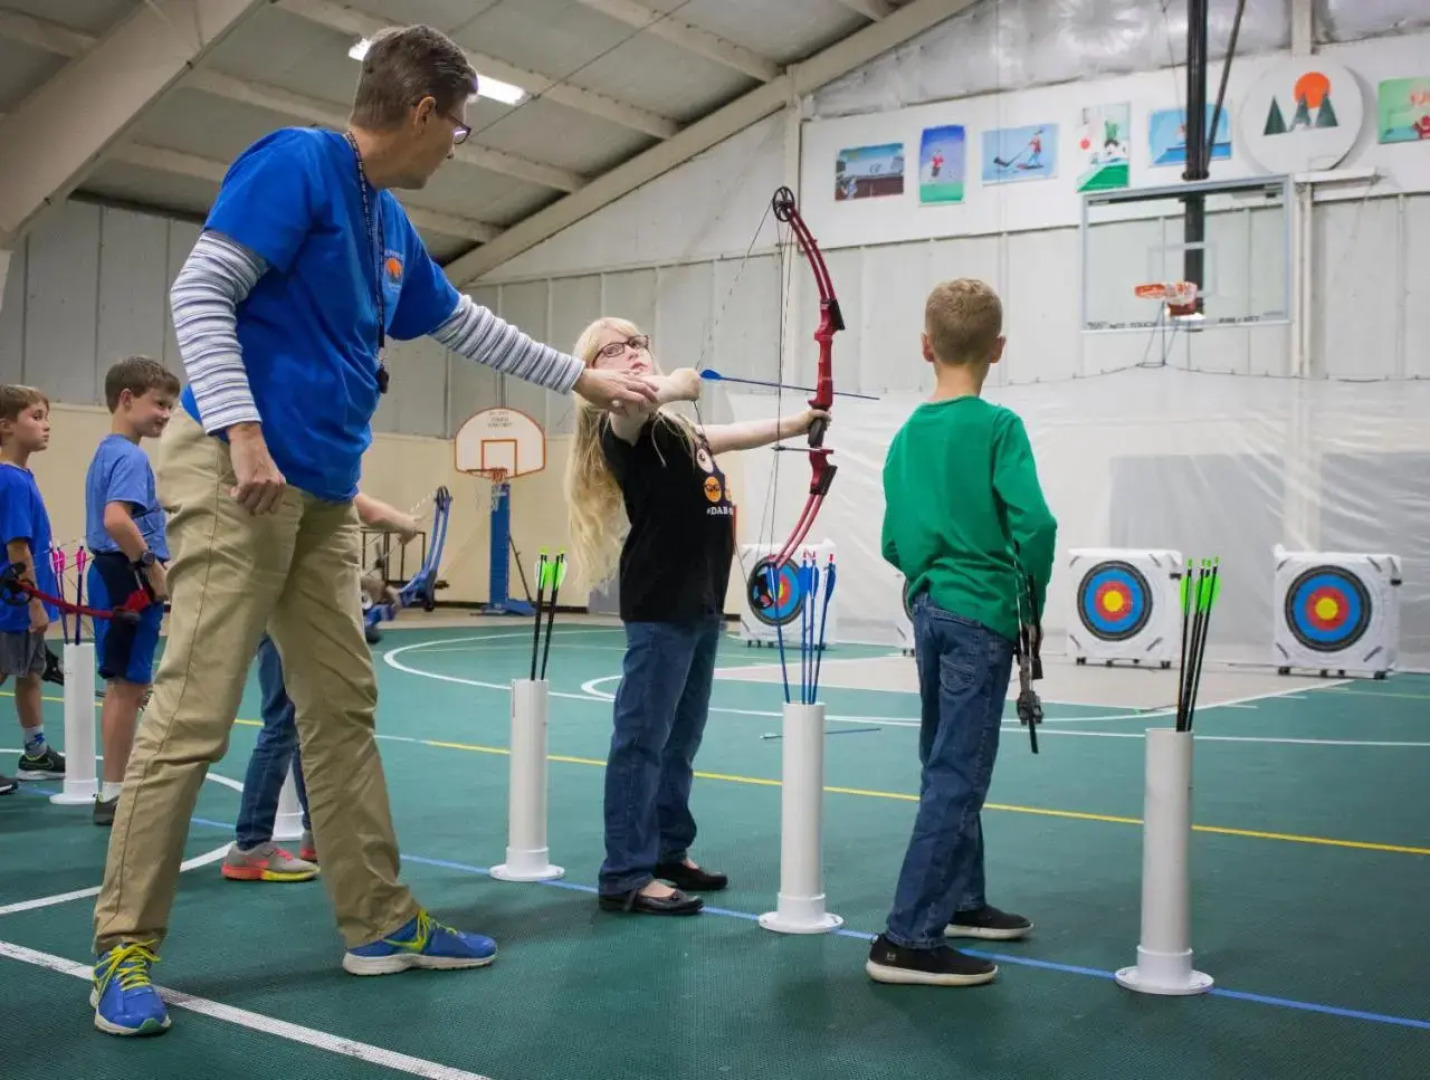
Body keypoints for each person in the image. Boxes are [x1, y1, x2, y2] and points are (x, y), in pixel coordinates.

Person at [89, 24, 659, 1038]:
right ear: (423, 111)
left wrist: (586, 377)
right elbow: (200, 290)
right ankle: (124, 945)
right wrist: (241, 428)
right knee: (193, 716)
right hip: (239, 475)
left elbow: (464, 323)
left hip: (314, 490)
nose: (459, 144)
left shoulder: (390, 223)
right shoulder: (299, 162)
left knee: (340, 708)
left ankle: (378, 923)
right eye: (460, 126)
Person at [565, 318, 828, 916]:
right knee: (642, 741)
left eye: (638, 343)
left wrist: (799, 424)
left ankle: (666, 850)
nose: (632, 354)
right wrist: (678, 380)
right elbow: (644, 398)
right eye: (614, 349)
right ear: (595, 371)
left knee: (680, 740)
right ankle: (625, 875)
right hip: (661, 606)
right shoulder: (624, 423)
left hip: (701, 602)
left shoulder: (678, 430)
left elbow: (732, 433)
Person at [866, 279, 1057, 987]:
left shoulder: (907, 435)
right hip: (981, 618)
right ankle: (907, 938)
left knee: (944, 762)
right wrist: (1026, 599)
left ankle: (962, 902)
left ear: (925, 347)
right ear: (998, 350)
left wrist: (930, 571)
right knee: (958, 773)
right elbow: (1036, 524)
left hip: (932, 611)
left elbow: (893, 540)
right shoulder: (999, 427)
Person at [221, 493, 419, 884]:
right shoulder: (293, 464)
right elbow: (357, 503)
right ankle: (251, 845)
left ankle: (319, 835)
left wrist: (361, 580)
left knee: (305, 721)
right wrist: (401, 521)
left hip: (296, 601)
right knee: (281, 723)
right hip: (282, 608)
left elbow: (311, 542)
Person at [85, 357, 180, 827]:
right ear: (126, 399)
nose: (166, 414)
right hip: (126, 577)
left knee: (128, 683)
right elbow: (116, 520)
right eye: (159, 404)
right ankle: (115, 791)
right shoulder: (129, 456)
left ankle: (118, 786)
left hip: (116, 575)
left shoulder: (110, 452)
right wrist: (151, 567)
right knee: (127, 686)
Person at [0, 384, 65, 794]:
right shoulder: (10, 481)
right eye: (35, 417)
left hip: (23, 603)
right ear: (5, 426)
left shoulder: (22, 476)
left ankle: (35, 752)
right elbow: (17, 547)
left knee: (31, 674)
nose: (46, 426)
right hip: (14, 604)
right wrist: (35, 604)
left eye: (46, 417)